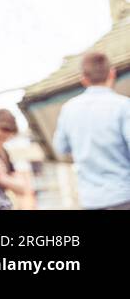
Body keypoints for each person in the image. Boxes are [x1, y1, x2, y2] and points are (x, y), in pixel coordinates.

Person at [52, 51, 130, 209]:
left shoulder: (68, 109)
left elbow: (60, 147)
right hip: (123, 196)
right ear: (112, 73)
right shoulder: (123, 106)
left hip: (90, 200)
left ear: (84, 79)